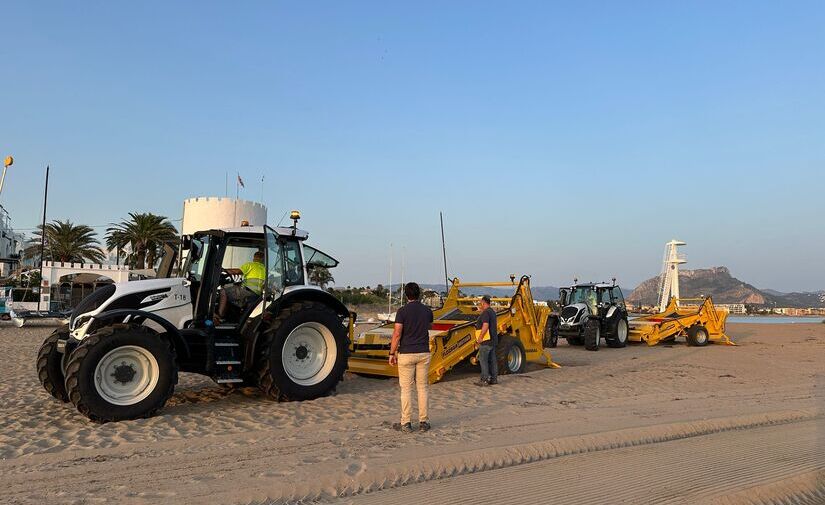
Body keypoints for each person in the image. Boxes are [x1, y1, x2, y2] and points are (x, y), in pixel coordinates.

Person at [389, 282, 434, 433]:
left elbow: (397, 334)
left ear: (406, 295)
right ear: (419, 294)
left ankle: (406, 422)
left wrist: (391, 353)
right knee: (422, 388)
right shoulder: (427, 311)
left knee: (406, 389)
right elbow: (429, 327)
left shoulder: (402, 311)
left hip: (406, 353)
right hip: (423, 352)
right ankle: (424, 421)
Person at [475, 295, 498, 386]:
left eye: (481, 303)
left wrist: (480, 337)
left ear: (484, 302)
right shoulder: (492, 312)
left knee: (483, 360)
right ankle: (494, 379)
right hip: (493, 340)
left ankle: (484, 379)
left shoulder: (485, 313)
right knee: (492, 360)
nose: (480, 305)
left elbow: (485, 325)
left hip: (486, 341)